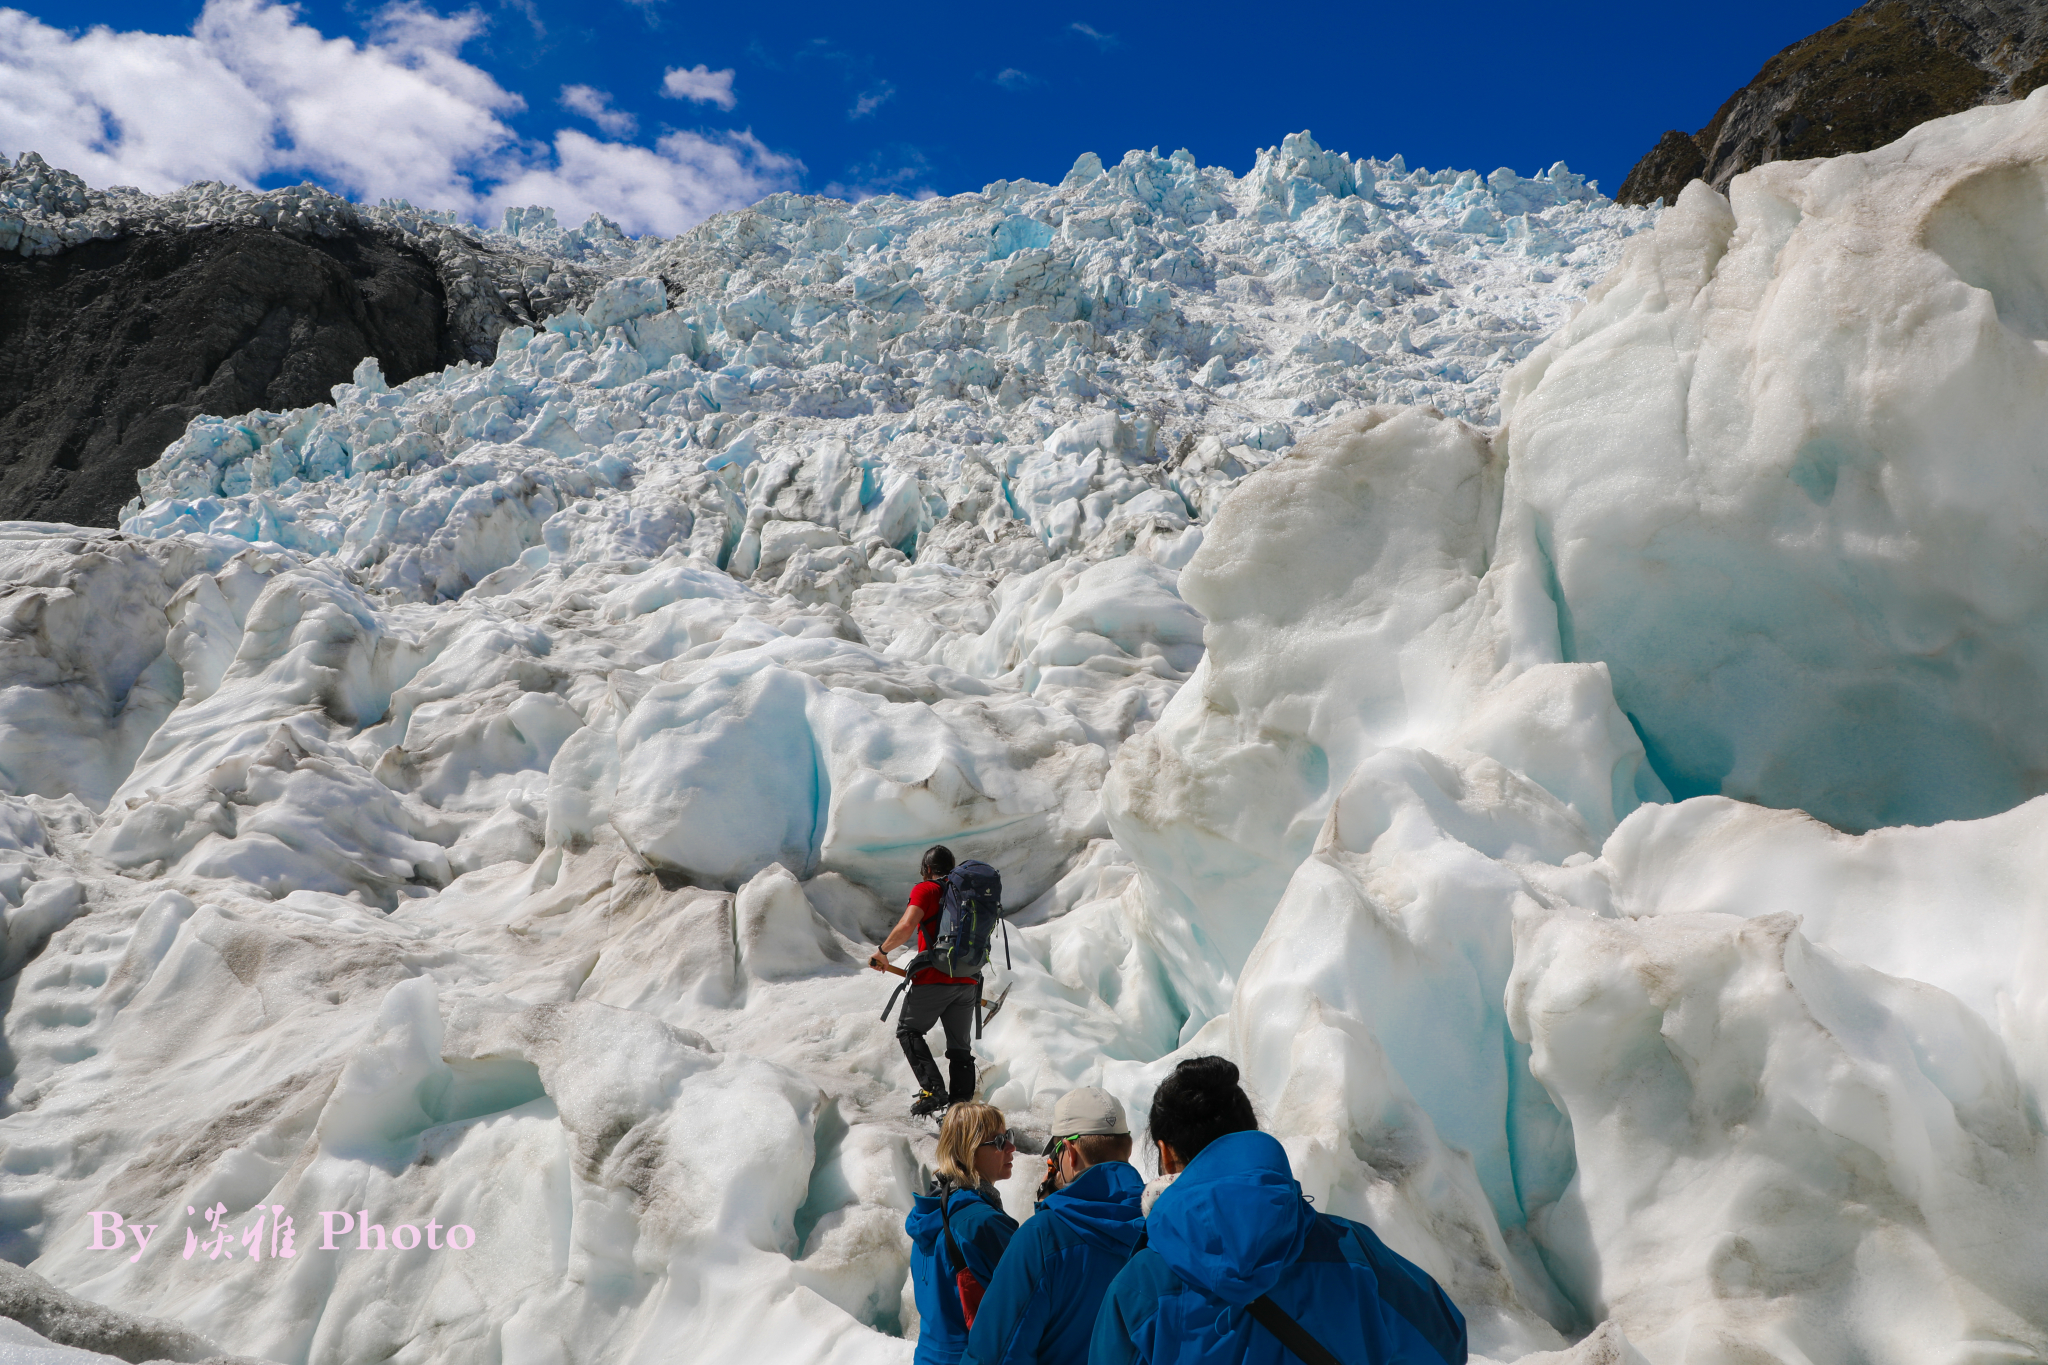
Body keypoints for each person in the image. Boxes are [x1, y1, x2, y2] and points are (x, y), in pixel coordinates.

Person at [1089, 1057, 1468, 1365]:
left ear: (1166, 1153)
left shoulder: (1138, 1288)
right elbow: (1445, 1343)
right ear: (1250, 1137)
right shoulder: (1353, 1252)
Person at [962, 1086, 1145, 1365]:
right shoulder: (1159, 1229)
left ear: (1069, 1153)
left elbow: (995, 1354)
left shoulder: (1042, 1238)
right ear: (1128, 1147)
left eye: (1056, 1152)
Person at [907, 1101, 1020, 1365]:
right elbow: (1029, 1297)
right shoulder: (980, 1223)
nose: (1012, 1147)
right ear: (969, 1151)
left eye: (1010, 1135)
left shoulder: (929, 1214)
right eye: (1001, 1141)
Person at [872, 844, 981, 1116]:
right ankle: (961, 1111)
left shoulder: (927, 889)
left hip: (933, 977)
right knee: (960, 1049)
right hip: (968, 981)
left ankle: (933, 1089)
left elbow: (907, 925)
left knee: (909, 1031)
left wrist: (883, 952)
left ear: (928, 870)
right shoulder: (967, 894)